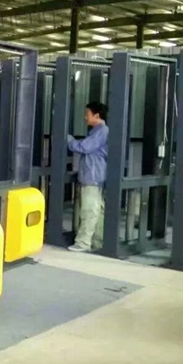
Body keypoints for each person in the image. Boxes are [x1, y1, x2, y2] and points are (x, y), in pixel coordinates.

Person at [67, 101, 109, 252]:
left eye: (87, 114)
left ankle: (83, 243)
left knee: (89, 211)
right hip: (95, 176)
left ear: (97, 115)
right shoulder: (98, 132)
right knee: (97, 211)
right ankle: (97, 242)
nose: (85, 117)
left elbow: (84, 147)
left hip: (92, 177)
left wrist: (68, 139)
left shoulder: (101, 131)